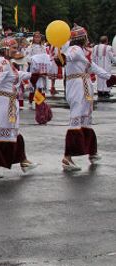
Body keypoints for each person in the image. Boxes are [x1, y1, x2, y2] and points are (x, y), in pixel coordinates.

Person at [56, 25, 116, 171]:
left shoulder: (81, 52)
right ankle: (67, 157)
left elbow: (92, 67)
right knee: (77, 119)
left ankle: (92, 152)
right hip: (77, 87)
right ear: (82, 38)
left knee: (86, 119)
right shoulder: (75, 49)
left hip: (83, 86)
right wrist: (61, 58)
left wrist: (111, 77)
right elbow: (67, 57)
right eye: (86, 37)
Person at [0, 38, 39, 178]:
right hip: (2, 102)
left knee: (14, 131)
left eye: (16, 48)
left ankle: (23, 161)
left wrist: (32, 75)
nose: (16, 50)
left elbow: (15, 75)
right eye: (13, 48)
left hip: (9, 102)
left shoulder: (8, 63)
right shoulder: (2, 62)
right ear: (5, 49)